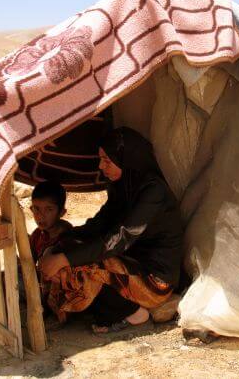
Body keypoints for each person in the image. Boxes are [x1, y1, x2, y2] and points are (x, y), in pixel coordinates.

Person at [38, 127, 183, 333]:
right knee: (72, 254)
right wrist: (62, 242)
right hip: (128, 265)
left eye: (107, 160)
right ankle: (99, 308)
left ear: (125, 158)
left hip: (154, 280)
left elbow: (119, 239)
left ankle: (133, 312)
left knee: (83, 265)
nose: (101, 166)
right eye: (101, 159)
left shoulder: (153, 192)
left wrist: (65, 259)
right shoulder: (123, 186)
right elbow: (99, 224)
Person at [29, 180, 73, 264]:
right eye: (36, 209)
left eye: (49, 209)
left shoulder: (69, 239)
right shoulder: (37, 235)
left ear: (61, 212)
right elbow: (29, 265)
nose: (40, 216)